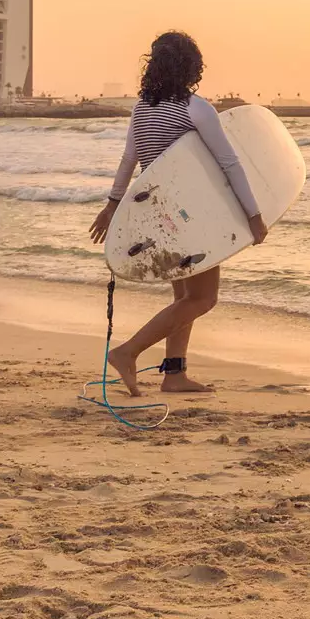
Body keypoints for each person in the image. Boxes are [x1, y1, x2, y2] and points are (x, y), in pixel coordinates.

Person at [88, 31, 266, 395]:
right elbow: (229, 164)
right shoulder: (195, 108)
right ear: (191, 66)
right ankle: (128, 351)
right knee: (203, 299)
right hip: (192, 215)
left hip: (156, 214)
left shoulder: (142, 107)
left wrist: (111, 205)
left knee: (183, 298)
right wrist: (253, 214)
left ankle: (174, 374)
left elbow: (130, 161)